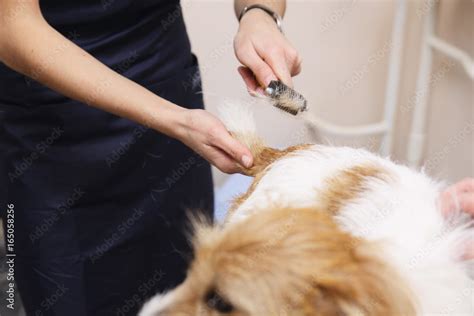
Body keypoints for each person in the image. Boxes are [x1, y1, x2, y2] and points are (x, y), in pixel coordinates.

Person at [0, 0, 301, 315]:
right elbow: (13, 27)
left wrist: (259, 14)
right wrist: (175, 120)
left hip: (169, 100)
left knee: (185, 291)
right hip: (54, 138)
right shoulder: (178, 122)